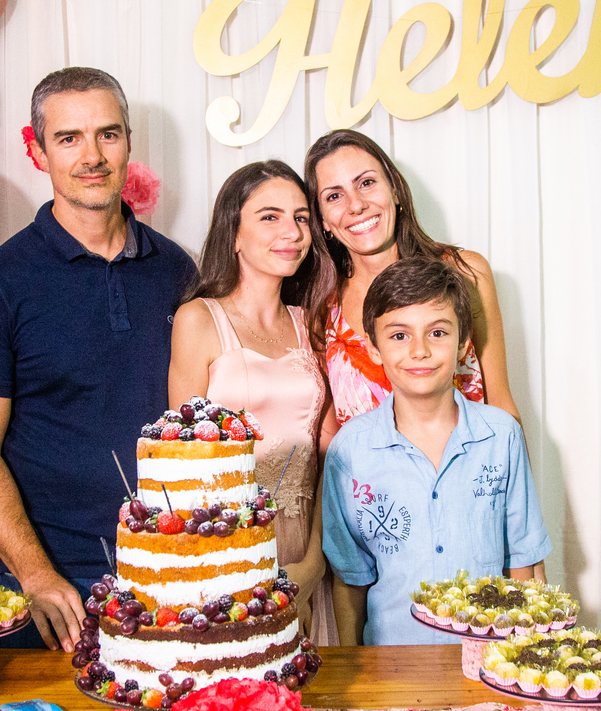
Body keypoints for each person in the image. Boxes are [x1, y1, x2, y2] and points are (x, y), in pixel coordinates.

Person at [0, 67, 197, 652]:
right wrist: (35, 575)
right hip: (52, 585)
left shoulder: (176, 270)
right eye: (68, 138)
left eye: (108, 134)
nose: (92, 156)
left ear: (128, 142)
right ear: (37, 153)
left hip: (169, 572)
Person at [321, 256, 551, 646]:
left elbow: (525, 564)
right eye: (399, 336)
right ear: (373, 348)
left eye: (438, 332)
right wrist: (352, 667)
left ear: (463, 343)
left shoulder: (501, 437)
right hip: (390, 667)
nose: (420, 351)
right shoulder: (351, 451)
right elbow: (350, 581)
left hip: (487, 663)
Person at [168, 160, 338, 645]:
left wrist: (312, 563)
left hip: (304, 542)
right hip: (224, 546)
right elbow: (181, 465)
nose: (292, 232)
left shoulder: (313, 323)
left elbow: (329, 456)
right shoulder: (198, 320)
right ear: (234, 234)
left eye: (301, 217)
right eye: (269, 217)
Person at [303, 129, 520, 427]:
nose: (356, 205)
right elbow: (329, 434)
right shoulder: (321, 308)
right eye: (334, 196)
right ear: (323, 219)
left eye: (366, 183)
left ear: (394, 188)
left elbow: (502, 405)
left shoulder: (465, 272)